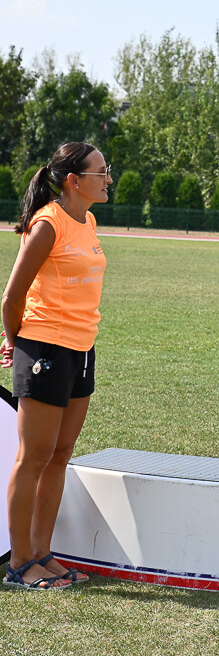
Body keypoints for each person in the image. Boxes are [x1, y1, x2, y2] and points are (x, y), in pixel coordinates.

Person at [1, 142, 110, 589]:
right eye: (100, 171)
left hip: (82, 350)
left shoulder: (88, 219)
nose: (107, 178)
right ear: (74, 180)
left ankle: (43, 552)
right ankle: (20, 563)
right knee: (34, 458)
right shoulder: (47, 223)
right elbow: (12, 297)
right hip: (44, 349)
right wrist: (14, 343)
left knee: (60, 456)